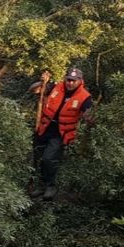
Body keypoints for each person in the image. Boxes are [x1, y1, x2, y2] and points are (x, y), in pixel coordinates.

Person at [29, 66, 93, 200]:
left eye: (74, 81)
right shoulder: (56, 86)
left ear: (80, 81)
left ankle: (50, 186)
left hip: (61, 133)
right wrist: (43, 82)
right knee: (38, 158)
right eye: (68, 80)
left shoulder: (85, 97)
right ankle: (41, 186)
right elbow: (34, 90)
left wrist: (89, 118)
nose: (70, 83)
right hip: (44, 128)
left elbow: (88, 114)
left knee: (48, 159)